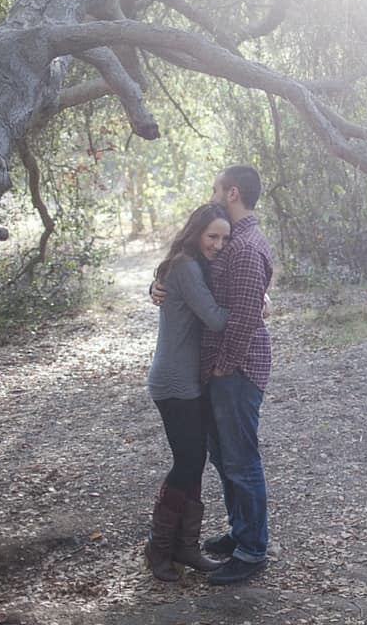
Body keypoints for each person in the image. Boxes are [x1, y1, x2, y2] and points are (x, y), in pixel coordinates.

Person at [155, 165, 275, 585]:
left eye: (216, 189)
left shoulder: (243, 247)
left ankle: (252, 550)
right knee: (226, 460)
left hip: (235, 370)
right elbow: (193, 278)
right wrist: (158, 284)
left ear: (233, 193)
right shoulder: (232, 241)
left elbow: (241, 319)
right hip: (217, 370)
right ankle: (240, 532)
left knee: (241, 461)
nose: (213, 195)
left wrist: (226, 364)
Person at [145, 202, 232, 582]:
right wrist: (253, 306)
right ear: (197, 232)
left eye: (225, 238)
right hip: (173, 381)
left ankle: (186, 546)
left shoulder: (193, 265)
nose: (218, 244)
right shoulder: (184, 266)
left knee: (193, 460)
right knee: (188, 460)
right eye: (212, 236)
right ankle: (158, 547)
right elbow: (214, 317)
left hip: (188, 380)